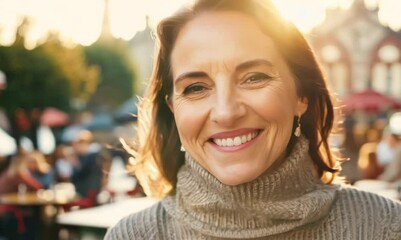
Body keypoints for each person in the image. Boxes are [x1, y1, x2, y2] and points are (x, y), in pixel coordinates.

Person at [105, 0, 401, 239]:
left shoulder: (384, 227)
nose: (225, 112)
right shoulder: (132, 235)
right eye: (196, 88)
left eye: (253, 78)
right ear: (172, 108)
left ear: (302, 95)